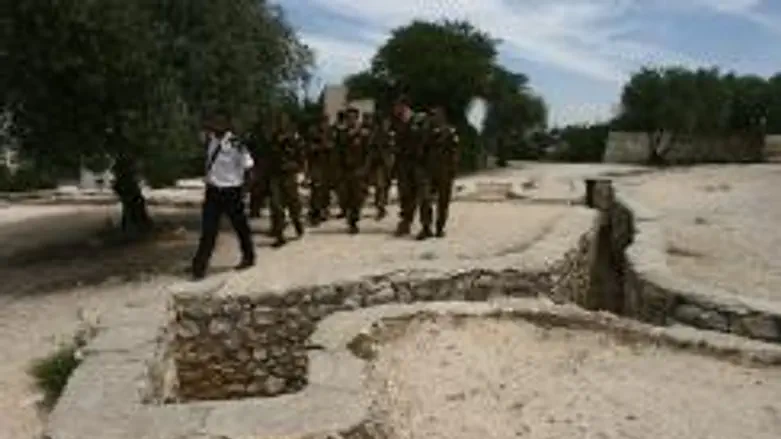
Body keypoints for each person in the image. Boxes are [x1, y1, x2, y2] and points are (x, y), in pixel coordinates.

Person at [191, 109, 256, 280]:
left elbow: (249, 168)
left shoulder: (236, 144)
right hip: (213, 191)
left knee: (240, 227)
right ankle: (199, 266)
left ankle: (249, 256)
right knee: (208, 231)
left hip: (232, 191)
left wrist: (244, 192)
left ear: (227, 124)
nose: (216, 125)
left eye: (220, 122)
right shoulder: (209, 140)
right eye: (214, 121)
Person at [416, 105, 460, 239]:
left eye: (435, 115)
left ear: (442, 118)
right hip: (428, 171)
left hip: (444, 171)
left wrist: (453, 170)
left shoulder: (450, 132)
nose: (433, 118)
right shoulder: (425, 132)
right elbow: (420, 152)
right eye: (431, 115)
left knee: (443, 202)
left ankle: (440, 227)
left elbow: (455, 153)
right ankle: (426, 227)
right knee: (425, 199)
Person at [268, 112, 305, 248]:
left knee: (293, 203)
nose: (280, 124)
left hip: (289, 175)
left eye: (283, 121)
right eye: (278, 121)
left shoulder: (294, 138)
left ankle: (297, 223)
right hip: (275, 175)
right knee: (276, 205)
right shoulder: (272, 138)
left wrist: (299, 170)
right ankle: (279, 235)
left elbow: (301, 157)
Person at [391, 96, 425, 237]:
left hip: (416, 163)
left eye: (397, 106)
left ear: (404, 106)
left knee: (419, 194)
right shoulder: (398, 123)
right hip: (403, 163)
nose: (395, 110)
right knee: (405, 194)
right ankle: (406, 221)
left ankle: (421, 225)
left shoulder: (418, 120)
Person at [337, 107, 371, 234]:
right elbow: (337, 152)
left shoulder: (364, 134)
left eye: (353, 118)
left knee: (357, 197)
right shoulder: (341, 133)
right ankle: (349, 215)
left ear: (357, 119)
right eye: (348, 118)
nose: (350, 120)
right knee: (344, 197)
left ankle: (353, 222)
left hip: (358, 169)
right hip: (344, 169)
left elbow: (368, 153)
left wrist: (365, 169)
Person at [306, 115, 334, 226]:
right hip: (316, 165)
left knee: (325, 189)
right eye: (323, 122)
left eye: (326, 122)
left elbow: (333, 146)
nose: (324, 125)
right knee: (316, 190)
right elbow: (309, 148)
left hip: (327, 165)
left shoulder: (330, 133)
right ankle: (315, 213)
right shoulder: (313, 133)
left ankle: (324, 209)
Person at [368, 114, 396, 220]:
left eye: (388, 123)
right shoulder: (377, 134)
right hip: (380, 163)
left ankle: (382, 204)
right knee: (380, 185)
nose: (387, 124)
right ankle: (380, 206)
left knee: (386, 185)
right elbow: (371, 147)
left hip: (389, 163)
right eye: (385, 123)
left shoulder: (391, 134)